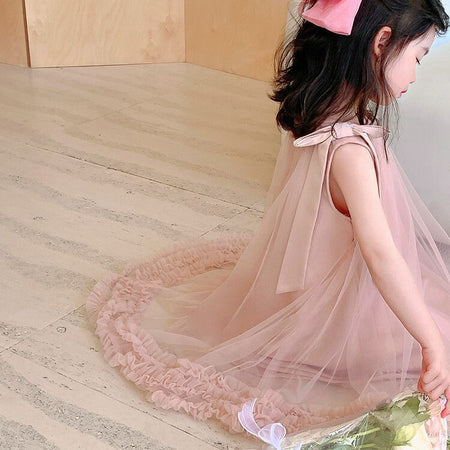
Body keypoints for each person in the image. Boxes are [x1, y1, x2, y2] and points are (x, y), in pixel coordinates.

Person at [86, 0, 450, 440]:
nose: (416, 74)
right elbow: (381, 255)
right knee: (438, 337)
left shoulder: (324, 115)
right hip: (335, 316)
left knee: (432, 303)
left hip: (314, 283)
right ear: (381, 43)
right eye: (418, 57)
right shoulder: (350, 151)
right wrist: (430, 342)